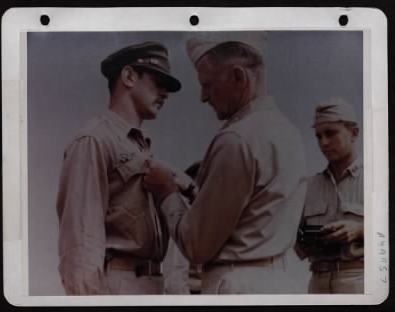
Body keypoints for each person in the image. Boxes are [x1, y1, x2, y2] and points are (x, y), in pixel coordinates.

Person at [142, 33, 308, 294]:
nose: (203, 97)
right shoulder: (289, 133)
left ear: (239, 77)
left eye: (207, 84)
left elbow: (196, 245)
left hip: (234, 286)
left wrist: (166, 192)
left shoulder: (236, 138)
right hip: (277, 285)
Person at [56, 41, 188, 295]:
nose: (165, 93)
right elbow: (81, 244)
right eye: (158, 81)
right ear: (128, 76)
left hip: (152, 284)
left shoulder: (139, 146)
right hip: (119, 284)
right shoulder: (94, 140)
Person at [296, 98, 364, 293]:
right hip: (317, 280)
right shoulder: (308, 186)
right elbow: (295, 238)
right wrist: (311, 237)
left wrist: (360, 230)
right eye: (318, 136)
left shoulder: (377, 178)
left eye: (330, 133)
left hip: (359, 279)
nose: (324, 143)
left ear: (354, 133)